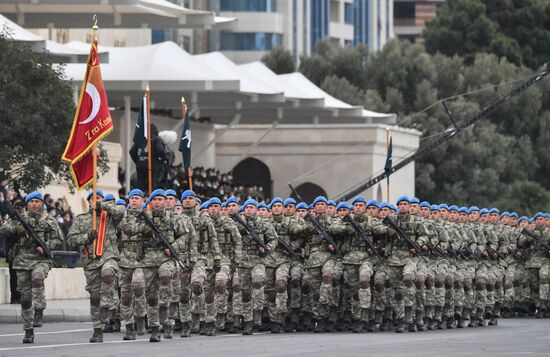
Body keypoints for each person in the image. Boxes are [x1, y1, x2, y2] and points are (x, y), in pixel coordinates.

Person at [0, 192, 63, 343]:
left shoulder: (48, 220)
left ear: (41, 203)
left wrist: (46, 246)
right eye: (31, 202)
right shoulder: (19, 219)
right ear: (27, 204)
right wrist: (17, 228)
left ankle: (39, 309)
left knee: (37, 278)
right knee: (26, 299)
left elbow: (58, 239)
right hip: (22, 260)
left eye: (37, 201)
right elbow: (3, 230)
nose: (34, 204)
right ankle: (28, 330)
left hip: (41, 260)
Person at [67, 190, 124, 343]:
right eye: (93, 199)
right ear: (88, 201)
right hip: (91, 261)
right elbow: (71, 240)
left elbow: (121, 212)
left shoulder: (110, 216)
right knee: (94, 297)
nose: (95, 201)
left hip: (108, 256)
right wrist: (87, 237)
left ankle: (107, 306)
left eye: (98, 198)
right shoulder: (82, 219)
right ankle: (97, 329)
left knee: (108, 274)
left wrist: (103, 205)